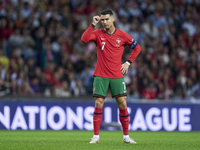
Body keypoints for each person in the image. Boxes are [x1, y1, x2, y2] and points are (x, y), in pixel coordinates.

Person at [81, 9, 141, 144]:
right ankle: (96, 137)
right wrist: (92, 24)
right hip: (101, 74)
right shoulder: (97, 33)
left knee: (123, 103)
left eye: (107, 19)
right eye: (102, 20)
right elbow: (84, 39)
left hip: (116, 75)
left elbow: (137, 48)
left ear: (113, 19)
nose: (104, 22)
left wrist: (128, 62)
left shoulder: (122, 35)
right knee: (98, 103)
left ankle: (126, 137)